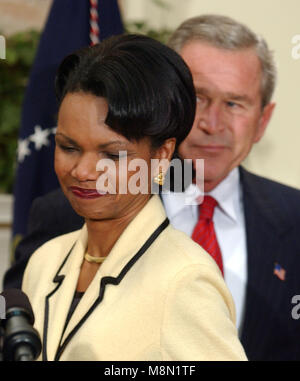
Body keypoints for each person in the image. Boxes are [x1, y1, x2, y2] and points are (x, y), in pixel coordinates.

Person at [5, 14, 300, 360]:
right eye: (198, 98)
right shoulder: (57, 237)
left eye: (234, 103)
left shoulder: (197, 270)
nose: (210, 123)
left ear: (263, 119)